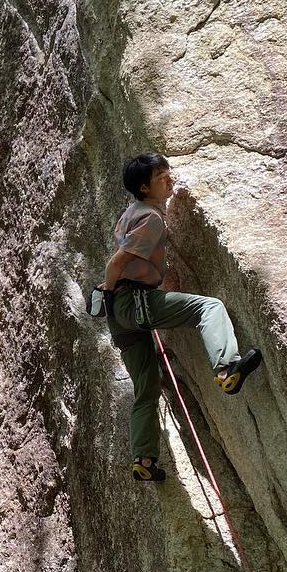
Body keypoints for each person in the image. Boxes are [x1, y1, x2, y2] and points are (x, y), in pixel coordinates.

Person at [99, 153, 262, 481]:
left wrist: (112, 298)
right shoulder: (150, 218)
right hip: (134, 301)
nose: (169, 180)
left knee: (145, 387)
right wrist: (110, 288)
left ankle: (143, 460)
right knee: (209, 308)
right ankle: (227, 367)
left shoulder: (130, 213)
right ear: (145, 186)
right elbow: (118, 263)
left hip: (121, 314)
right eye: (162, 177)